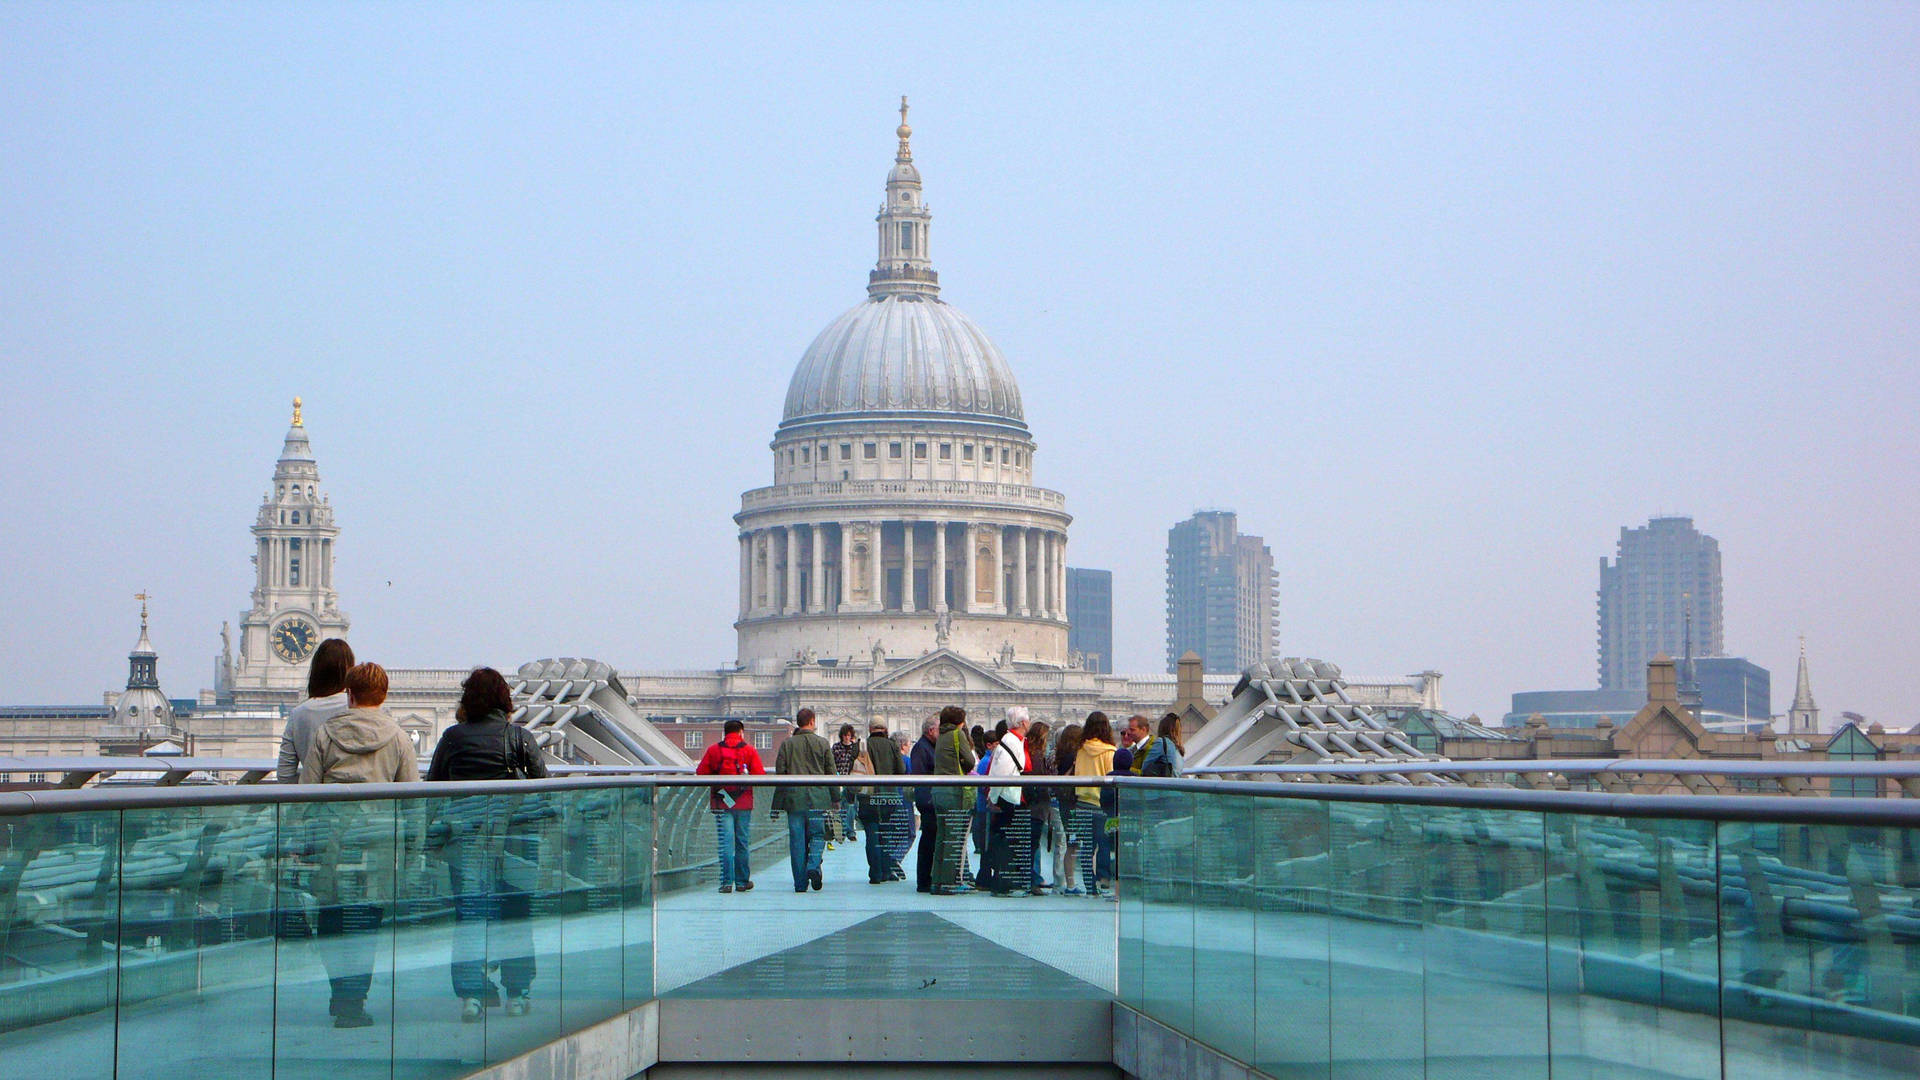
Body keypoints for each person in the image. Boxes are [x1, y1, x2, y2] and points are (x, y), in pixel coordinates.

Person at [425, 666, 550, 1021]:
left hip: (465, 844)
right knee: (516, 916)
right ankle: (518, 993)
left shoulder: (452, 739)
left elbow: (432, 790)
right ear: (504, 701)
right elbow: (545, 793)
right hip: (514, 842)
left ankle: (471, 995)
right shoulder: (520, 738)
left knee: (469, 916)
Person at [299, 662, 417, 1028]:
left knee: (332, 921)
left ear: (349, 694)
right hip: (379, 845)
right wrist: (412, 852)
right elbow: (413, 800)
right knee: (366, 925)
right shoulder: (398, 738)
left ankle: (340, 993)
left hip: (333, 844)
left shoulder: (325, 735)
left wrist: (305, 844)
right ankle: (355, 997)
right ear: (383, 696)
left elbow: (306, 797)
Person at [695, 718, 765, 894]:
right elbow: (760, 774)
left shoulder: (714, 750)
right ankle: (742, 882)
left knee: (725, 843)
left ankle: (726, 882)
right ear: (741, 732)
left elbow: (701, 772)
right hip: (743, 802)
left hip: (721, 802)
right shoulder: (749, 750)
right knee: (742, 842)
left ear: (725, 732)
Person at [772, 708, 837, 892]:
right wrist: (835, 798)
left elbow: (780, 775)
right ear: (812, 722)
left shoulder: (787, 745)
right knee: (818, 835)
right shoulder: (823, 743)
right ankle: (813, 865)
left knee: (797, 842)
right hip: (818, 799)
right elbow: (831, 773)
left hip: (794, 800)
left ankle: (800, 884)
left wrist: (776, 805)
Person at [277, 637, 355, 784]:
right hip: (362, 802)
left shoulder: (298, 714)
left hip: (315, 802)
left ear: (316, 672)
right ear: (349, 671)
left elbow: (284, 775)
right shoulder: (357, 706)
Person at [982, 707, 1031, 897]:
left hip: (1009, 796)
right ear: (1022, 723)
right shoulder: (1011, 741)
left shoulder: (1012, 740)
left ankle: (1005, 882)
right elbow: (999, 774)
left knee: (1008, 841)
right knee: (1007, 842)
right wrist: (992, 799)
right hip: (1007, 798)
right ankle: (1004, 884)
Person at [930, 705, 977, 895]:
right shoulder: (957, 735)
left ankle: (937, 881)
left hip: (938, 792)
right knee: (954, 838)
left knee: (942, 837)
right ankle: (950, 882)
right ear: (960, 722)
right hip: (953, 793)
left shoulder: (941, 736)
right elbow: (970, 760)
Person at [1074, 712, 1117, 897]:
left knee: (1086, 846)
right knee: (1104, 843)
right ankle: (1104, 879)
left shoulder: (1081, 750)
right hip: (1102, 804)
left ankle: (1089, 884)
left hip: (1082, 802)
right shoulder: (1110, 752)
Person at [862, 720, 907, 884]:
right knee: (887, 833)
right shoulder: (892, 745)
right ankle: (887, 871)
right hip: (889, 795)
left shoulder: (863, 746)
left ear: (870, 729)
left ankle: (875, 873)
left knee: (871, 835)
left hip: (868, 796)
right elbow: (901, 770)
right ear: (885, 729)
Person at [1052, 723, 1084, 894]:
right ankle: (1072, 883)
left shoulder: (1061, 755)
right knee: (1074, 844)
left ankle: (1070, 883)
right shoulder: (1074, 756)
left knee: (1071, 843)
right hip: (1074, 802)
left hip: (1064, 803)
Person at [1024, 720, 1055, 893]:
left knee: (1033, 843)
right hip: (1036, 805)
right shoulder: (1036, 756)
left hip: (1034, 805)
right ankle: (1032, 879)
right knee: (1033, 842)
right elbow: (1040, 781)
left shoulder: (1032, 753)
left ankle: (1034, 876)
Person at [909, 718, 939, 893]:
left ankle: (927, 877)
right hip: (927, 799)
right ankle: (923, 880)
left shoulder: (927, 746)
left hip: (929, 797)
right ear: (930, 731)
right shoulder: (921, 747)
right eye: (938, 731)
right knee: (928, 839)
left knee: (930, 838)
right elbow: (920, 775)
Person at [830, 724, 862, 847]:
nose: (847, 738)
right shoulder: (836, 747)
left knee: (850, 807)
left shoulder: (855, 748)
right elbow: (832, 763)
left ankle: (849, 831)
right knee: (840, 807)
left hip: (852, 781)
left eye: (849, 735)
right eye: (845, 735)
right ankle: (842, 831)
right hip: (838, 780)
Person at [1136, 713, 1185, 778]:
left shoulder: (1161, 742)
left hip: (1163, 784)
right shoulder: (1178, 749)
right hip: (1174, 784)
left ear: (1162, 728)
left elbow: (1145, 766)